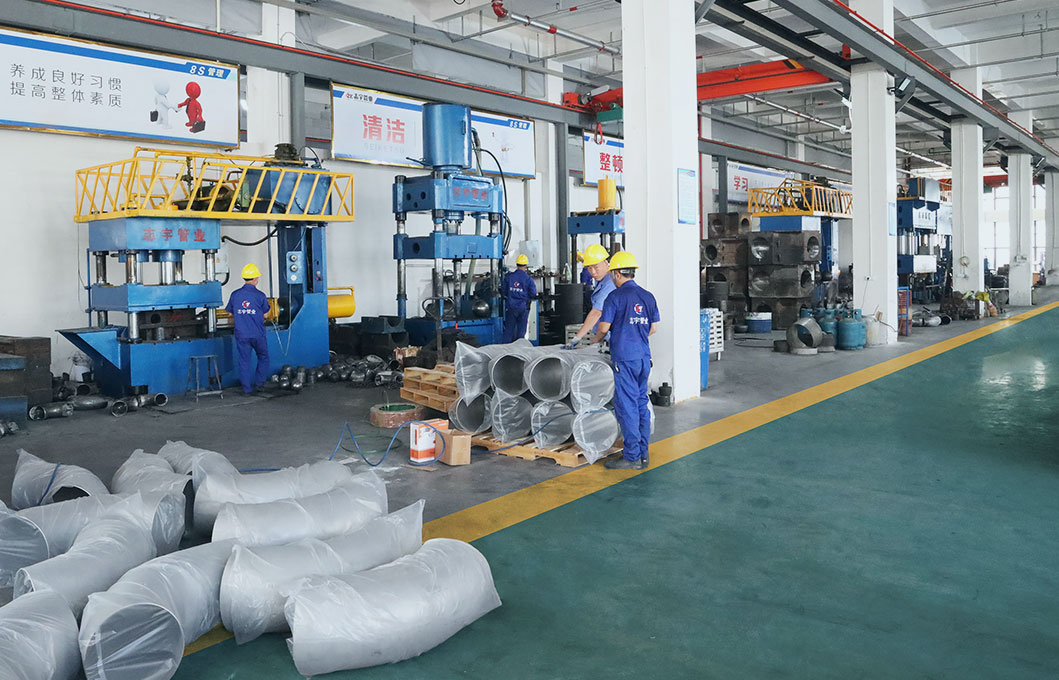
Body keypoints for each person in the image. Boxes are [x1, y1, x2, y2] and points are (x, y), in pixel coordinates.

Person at [589, 251, 659, 470]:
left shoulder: (615, 297)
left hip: (625, 359)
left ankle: (631, 457)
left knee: (627, 406)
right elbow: (653, 328)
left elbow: (603, 327)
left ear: (617, 274)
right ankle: (643, 454)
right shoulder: (648, 296)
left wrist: (594, 340)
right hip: (643, 357)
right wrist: (635, 335)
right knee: (641, 403)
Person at [226, 263, 271, 394]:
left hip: (242, 334)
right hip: (258, 334)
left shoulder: (235, 295)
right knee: (263, 357)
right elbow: (266, 314)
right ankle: (259, 384)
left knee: (244, 361)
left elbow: (229, 312)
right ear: (256, 278)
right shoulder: (260, 295)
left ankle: (246, 389)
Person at [566, 243, 615, 348]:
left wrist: (576, 338)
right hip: (605, 338)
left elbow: (596, 313)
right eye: (589, 268)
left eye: (596, 267)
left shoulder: (610, 283)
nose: (593, 272)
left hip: (612, 339)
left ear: (606, 262)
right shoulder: (601, 280)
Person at [501, 254, 537, 343]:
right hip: (523, 307)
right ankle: (519, 349)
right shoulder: (528, 279)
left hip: (511, 307)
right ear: (526, 266)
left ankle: (504, 349)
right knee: (521, 331)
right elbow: (533, 293)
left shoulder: (509, 277)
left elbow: (503, 291)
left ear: (517, 264)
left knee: (508, 331)